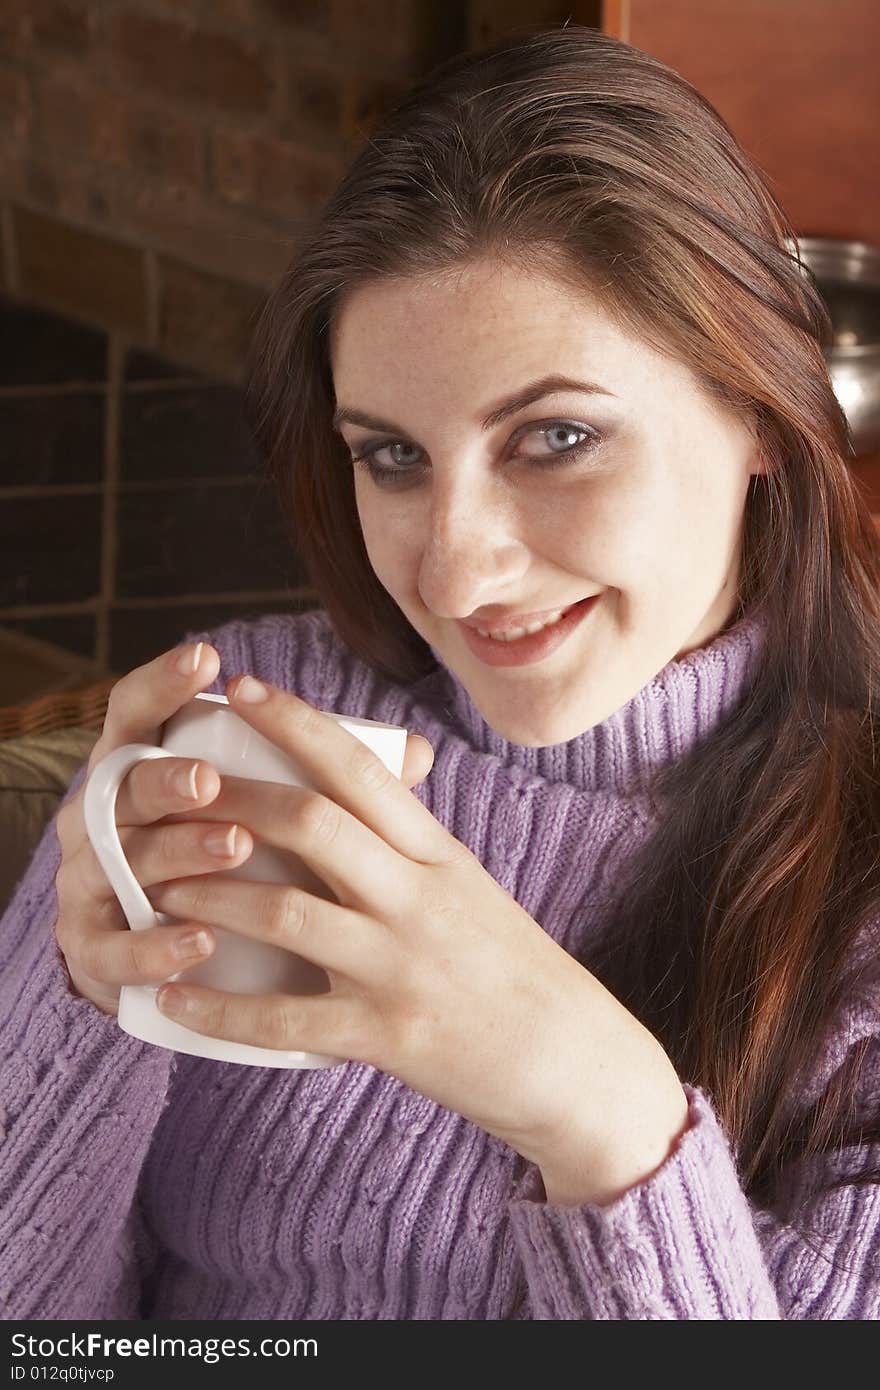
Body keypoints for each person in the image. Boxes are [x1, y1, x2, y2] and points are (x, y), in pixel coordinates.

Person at [2, 25, 878, 1322]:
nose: (456, 575)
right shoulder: (253, 734)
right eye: (393, 457)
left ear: (758, 409)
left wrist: (592, 1110)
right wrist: (73, 999)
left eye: (557, 436)